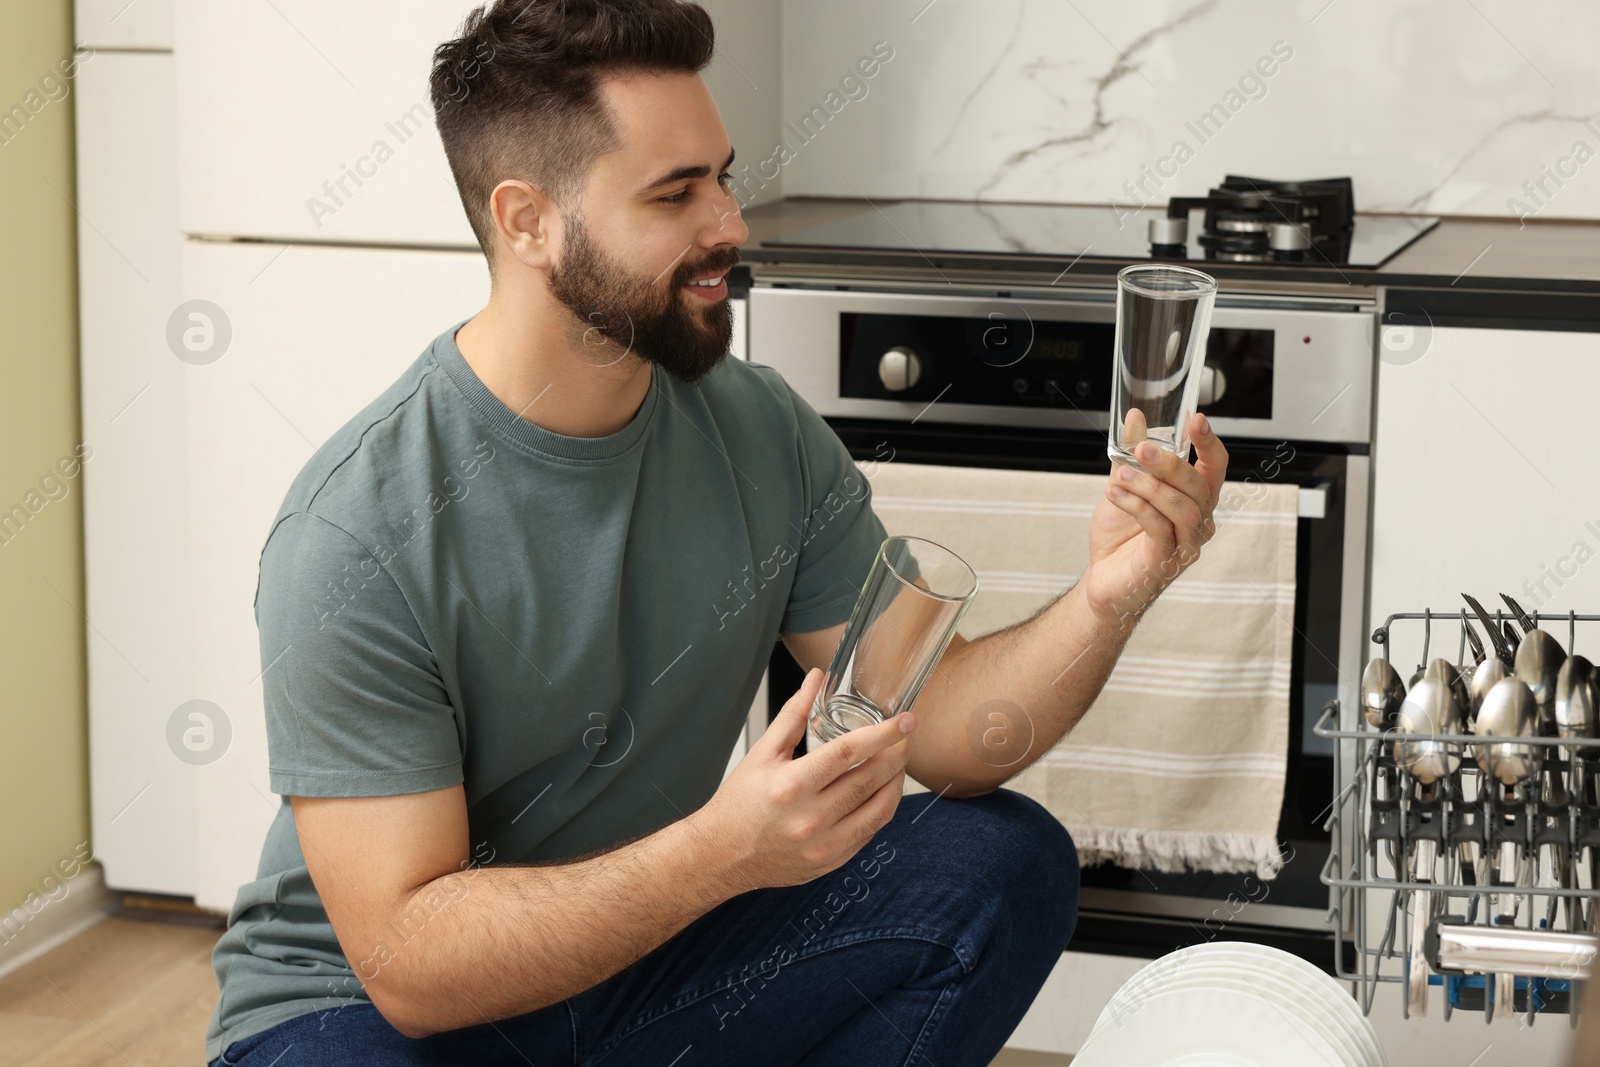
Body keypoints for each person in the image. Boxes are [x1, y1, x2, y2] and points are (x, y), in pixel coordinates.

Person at [202, 1, 1230, 1064]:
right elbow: (408, 964)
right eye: (674, 193)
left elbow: (946, 731)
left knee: (999, 860)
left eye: (722, 176)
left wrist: (1111, 591)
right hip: (363, 1015)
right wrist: (720, 854)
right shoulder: (357, 528)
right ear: (526, 221)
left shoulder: (759, 430)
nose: (730, 223)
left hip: (640, 954)